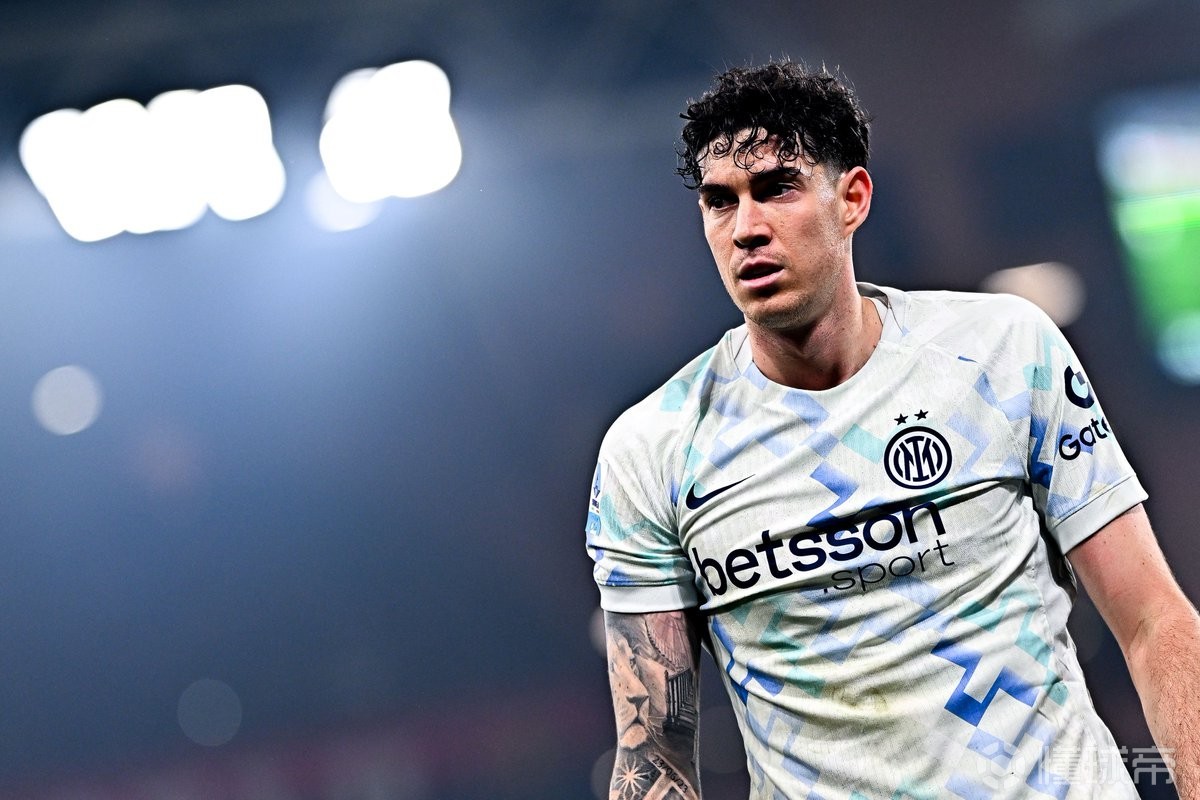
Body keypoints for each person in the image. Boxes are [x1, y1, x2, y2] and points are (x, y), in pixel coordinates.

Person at [584, 60, 1200, 800]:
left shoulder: (1003, 350)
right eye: (721, 202)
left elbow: (1152, 620)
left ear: (852, 199)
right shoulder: (652, 448)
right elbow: (654, 757)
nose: (746, 228)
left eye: (776, 188)